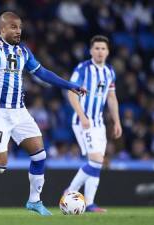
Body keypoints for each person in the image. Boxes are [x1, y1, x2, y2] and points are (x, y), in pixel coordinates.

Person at [0, 11, 86, 216]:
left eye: (20, 28)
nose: (18, 31)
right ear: (2, 29)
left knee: (40, 155)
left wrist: (69, 85)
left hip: (20, 112)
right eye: (14, 27)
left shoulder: (23, 52)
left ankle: (34, 201)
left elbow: (42, 73)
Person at [65, 35, 122, 212]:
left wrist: (117, 122)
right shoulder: (83, 68)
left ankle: (89, 203)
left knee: (97, 163)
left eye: (103, 48)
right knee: (96, 160)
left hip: (99, 123)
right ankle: (70, 193)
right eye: (96, 48)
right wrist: (82, 116)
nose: (100, 51)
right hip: (83, 121)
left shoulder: (110, 71)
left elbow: (111, 97)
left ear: (108, 51)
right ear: (91, 51)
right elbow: (71, 92)